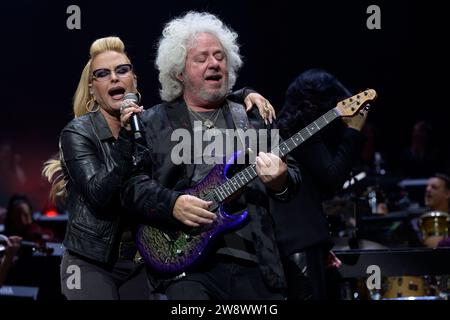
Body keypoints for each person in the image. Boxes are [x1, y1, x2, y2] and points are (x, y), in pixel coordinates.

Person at [41, 35, 276, 300]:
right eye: (103, 74)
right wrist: (126, 141)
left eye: (122, 70)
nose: (115, 78)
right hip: (93, 261)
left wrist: (244, 93)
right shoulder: (79, 132)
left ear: (135, 81)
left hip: (142, 259)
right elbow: (100, 195)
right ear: (93, 89)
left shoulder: (148, 124)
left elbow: (199, 94)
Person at [120, 11, 301, 300]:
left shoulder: (253, 117)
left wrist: (280, 181)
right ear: (179, 72)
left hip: (255, 261)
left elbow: (292, 178)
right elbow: (130, 186)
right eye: (201, 58)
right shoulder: (154, 122)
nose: (214, 63)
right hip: (185, 265)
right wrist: (172, 204)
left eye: (219, 56)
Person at [275, 68, 368, 300]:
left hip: (297, 244)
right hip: (300, 245)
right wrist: (354, 131)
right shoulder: (300, 131)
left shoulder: (283, 128)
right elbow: (332, 178)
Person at [422, 173, 450, 248]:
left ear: (447, 193)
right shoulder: (417, 221)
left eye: (434, 187)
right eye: (427, 187)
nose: (428, 189)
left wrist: (442, 243)